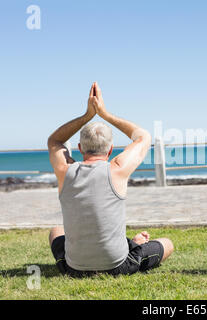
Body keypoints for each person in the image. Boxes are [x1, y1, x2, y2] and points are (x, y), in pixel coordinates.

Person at [47, 82, 174, 277]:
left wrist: (86, 116)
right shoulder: (118, 169)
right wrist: (105, 114)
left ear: (80, 148)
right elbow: (143, 137)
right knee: (167, 244)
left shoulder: (65, 170)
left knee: (56, 231)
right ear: (111, 149)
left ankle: (131, 243)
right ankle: (134, 245)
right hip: (118, 266)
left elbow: (54, 141)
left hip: (74, 269)